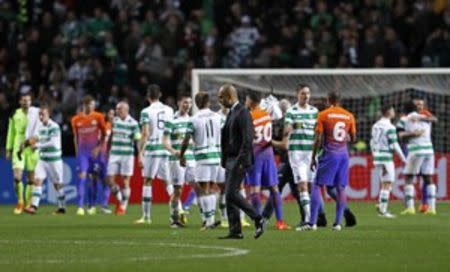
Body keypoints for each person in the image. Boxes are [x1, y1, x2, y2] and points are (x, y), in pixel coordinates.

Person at [299, 91, 356, 231]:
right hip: (343, 155)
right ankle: (337, 223)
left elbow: (318, 138)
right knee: (340, 188)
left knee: (318, 185)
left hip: (329, 154)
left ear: (328, 100)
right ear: (340, 101)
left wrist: (313, 157)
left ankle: (312, 223)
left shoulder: (323, 115)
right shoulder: (349, 116)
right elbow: (353, 138)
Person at [218, 84, 266, 239]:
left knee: (231, 193)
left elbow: (248, 138)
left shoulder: (243, 112)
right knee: (229, 195)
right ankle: (235, 230)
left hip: (239, 159)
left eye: (221, 97)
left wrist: (240, 160)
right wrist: (224, 160)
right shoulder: (232, 113)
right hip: (230, 159)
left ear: (230, 97)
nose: (220, 100)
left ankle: (258, 218)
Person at [244, 92, 290, 230]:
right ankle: (280, 222)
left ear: (251, 102)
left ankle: (259, 221)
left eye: (246, 99)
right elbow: (278, 115)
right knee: (274, 188)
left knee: (255, 189)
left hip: (255, 155)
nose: (245, 102)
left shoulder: (249, 117)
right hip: (268, 155)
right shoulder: (266, 115)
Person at [179, 91, 222, 230]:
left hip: (202, 157)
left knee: (204, 189)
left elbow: (186, 140)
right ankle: (211, 219)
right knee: (212, 187)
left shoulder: (193, 119)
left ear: (196, 104)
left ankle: (208, 221)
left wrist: (181, 155)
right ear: (208, 102)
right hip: (216, 156)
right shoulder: (218, 117)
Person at [135, 84, 173, 225]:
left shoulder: (146, 111)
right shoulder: (169, 110)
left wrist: (140, 153)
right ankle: (178, 210)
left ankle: (146, 217)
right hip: (165, 149)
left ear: (147, 96)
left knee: (147, 181)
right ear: (160, 95)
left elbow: (145, 133)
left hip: (152, 149)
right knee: (167, 182)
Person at [283, 84, 318, 227]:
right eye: (303, 93)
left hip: (311, 153)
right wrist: (292, 126)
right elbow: (286, 131)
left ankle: (312, 219)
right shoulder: (291, 111)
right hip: (297, 153)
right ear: (297, 94)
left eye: (308, 93)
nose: (306, 96)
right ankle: (309, 221)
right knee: (302, 186)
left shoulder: (315, 112)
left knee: (311, 187)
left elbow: (318, 132)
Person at [22, 104, 66, 214]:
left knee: (58, 184)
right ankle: (33, 207)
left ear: (49, 114)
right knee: (37, 180)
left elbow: (53, 143)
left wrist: (37, 146)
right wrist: (26, 143)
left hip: (54, 160)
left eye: (43, 114)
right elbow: (36, 138)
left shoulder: (54, 126)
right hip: (42, 160)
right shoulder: (41, 127)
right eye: (40, 115)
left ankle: (61, 207)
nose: (41, 117)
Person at [398, 99, 437, 215]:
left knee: (409, 177)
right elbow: (434, 119)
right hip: (429, 151)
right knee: (428, 177)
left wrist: (411, 134)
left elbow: (400, 135)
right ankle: (432, 208)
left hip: (416, 150)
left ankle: (410, 208)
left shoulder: (404, 119)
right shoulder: (426, 118)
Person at [163, 94, 195, 228]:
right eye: (184, 102)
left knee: (199, 186)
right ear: (178, 103)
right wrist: (174, 151)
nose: (187, 105)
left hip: (192, 159)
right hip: (176, 160)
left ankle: (207, 219)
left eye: (189, 103)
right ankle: (174, 219)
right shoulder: (171, 121)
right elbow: (165, 141)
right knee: (178, 190)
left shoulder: (193, 120)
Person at [71, 95, 107, 216]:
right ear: (84, 105)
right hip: (83, 154)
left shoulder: (99, 117)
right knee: (82, 176)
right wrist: (77, 151)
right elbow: (75, 137)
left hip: (94, 153)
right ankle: (80, 206)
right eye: (88, 105)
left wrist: (98, 148)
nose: (91, 107)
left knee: (94, 178)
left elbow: (104, 135)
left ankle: (92, 206)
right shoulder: (76, 119)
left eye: (92, 104)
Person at [6, 91, 40, 214]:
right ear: (20, 101)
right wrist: (8, 149)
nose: (26, 102)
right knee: (17, 177)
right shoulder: (15, 114)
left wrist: (38, 143)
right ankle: (20, 201)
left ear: (31, 102)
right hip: (18, 146)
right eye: (24, 100)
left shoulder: (36, 113)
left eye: (28, 100)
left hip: (32, 147)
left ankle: (28, 202)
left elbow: (41, 129)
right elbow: (11, 132)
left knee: (31, 179)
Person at [370, 105, 406, 218]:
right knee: (387, 183)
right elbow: (394, 144)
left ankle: (381, 205)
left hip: (377, 156)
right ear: (388, 112)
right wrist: (403, 158)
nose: (394, 112)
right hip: (386, 157)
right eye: (392, 110)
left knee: (385, 184)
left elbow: (372, 142)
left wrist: (374, 154)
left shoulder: (375, 125)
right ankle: (383, 211)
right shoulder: (390, 127)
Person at [106, 101, 141, 215]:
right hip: (114, 154)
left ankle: (123, 207)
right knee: (110, 180)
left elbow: (137, 140)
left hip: (127, 155)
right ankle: (121, 199)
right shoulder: (114, 121)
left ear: (126, 110)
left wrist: (140, 154)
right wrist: (107, 150)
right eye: (117, 109)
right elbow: (111, 136)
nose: (117, 111)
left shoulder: (133, 123)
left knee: (125, 181)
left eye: (119, 109)